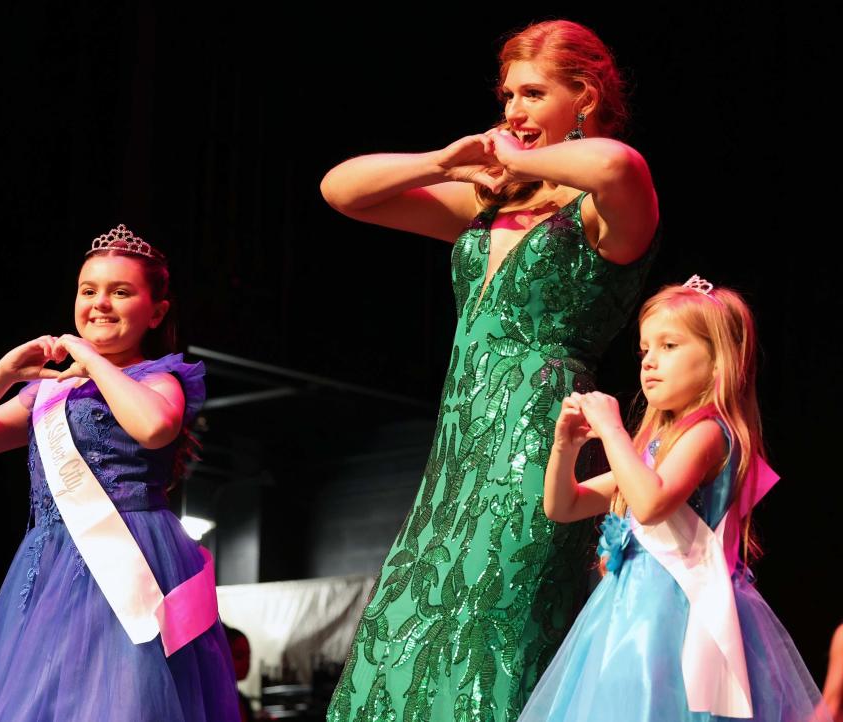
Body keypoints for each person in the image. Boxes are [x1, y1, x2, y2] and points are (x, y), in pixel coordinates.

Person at [322, 19, 660, 722]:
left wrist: (521, 159)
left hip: (537, 441)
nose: (513, 111)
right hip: (457, 448)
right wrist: (444, 160)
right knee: (408, 634)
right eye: (508, 94)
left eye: (534, 94)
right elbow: (341, 190)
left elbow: (619, 167)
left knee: (496, 628)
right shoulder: (488, 203)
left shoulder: (604, 210)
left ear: (585, 96)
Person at [0, 225, 239, 722]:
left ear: (156, 311)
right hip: (48, 561)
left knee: (124, 699)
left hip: (132, 554)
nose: (101, 303)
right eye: (88, 290)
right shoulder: (48, 393)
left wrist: (93, 359)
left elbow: (155, 427)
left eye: (121, 292)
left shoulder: (160, 378)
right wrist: (4, 373)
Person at [517, 277, 832, 721]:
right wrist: (564, 446)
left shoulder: (709, 433)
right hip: (627, 613)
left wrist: (611, 430)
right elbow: (563, 506)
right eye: (645, 350)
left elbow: (649, 503)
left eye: (669, 346)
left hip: (679, 614)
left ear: (719, 362)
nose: (649, 362)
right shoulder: (652, 447)